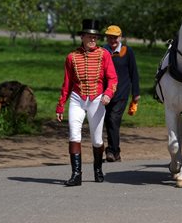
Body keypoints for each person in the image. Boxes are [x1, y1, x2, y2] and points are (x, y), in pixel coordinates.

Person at [56, 19, 117, 186]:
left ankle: (98, 169)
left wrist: (108, 94)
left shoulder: (104, 54)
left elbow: (112, 78)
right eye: (89, 37)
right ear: (82, 37)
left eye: (95, 37)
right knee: (74, 135)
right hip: (77, 98)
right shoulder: (71, 57)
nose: (92, 40)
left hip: (97, 100)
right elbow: (67, 83)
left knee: (97, 140)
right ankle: (76, 174)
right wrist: (61, 104)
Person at [102, 25, 140, 162]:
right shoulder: (102, 51)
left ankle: (111, 151)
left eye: (115, 37)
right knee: (108, 121)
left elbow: (133, 72)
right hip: (105, 94)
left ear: (120, 37)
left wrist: (136, 93)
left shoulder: (127, 51)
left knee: (113, 119)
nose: (113, 40)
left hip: (121, 93)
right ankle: (115, 153)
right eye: (110, 37)